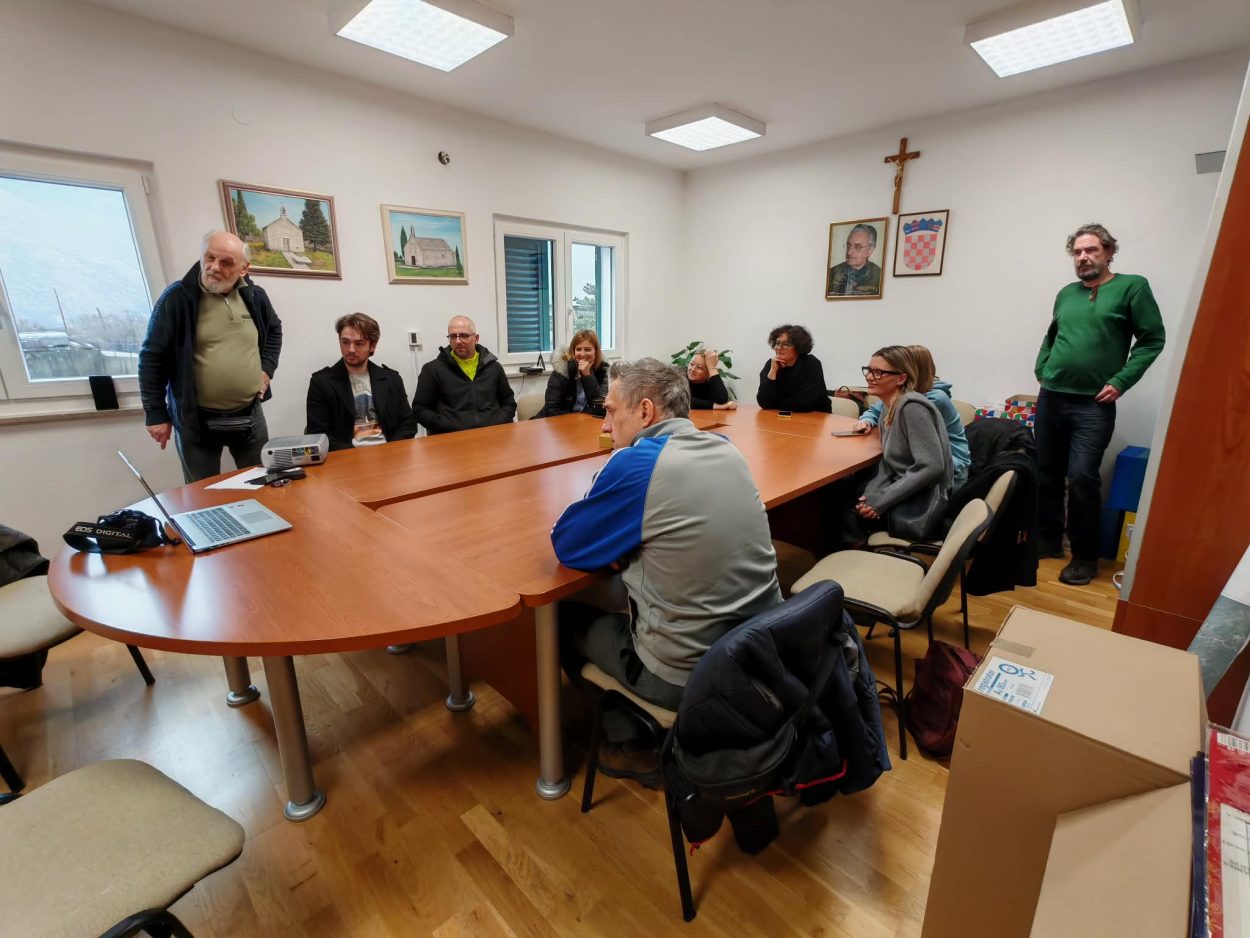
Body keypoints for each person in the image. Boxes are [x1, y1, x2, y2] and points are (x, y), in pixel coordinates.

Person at [551, 358, 781, 763]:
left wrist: (611, 487)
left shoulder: (637, 463)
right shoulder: (724, 447)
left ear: (645, 411)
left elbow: (568, 544)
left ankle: (627, 734)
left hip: (687, 676)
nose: (605, 427)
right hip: (757, 652)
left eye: (611, 412)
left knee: (559, 614)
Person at [1034, 223, 1165, 586]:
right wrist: (1042, 369)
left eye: (1091, 250)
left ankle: (1084, 557)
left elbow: (1152, 339)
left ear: (1109, 252)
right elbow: (1051, 336)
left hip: (1092, 405)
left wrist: (1121, 380)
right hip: (1052, 397)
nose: (1083, 257)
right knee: (1046, 471)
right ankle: (1048, 540)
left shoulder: (1132, 287)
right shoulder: (1066, 293)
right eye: (1077, 252)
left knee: (1081, 477)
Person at [139, 230, 283, 483]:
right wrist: (156, 413)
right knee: (201, 494)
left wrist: (267, 369)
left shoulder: (254, 295)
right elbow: (152, 357)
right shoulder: (177, 298)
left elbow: (274, 330)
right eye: (210, 257)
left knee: (263, 483)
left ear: (243, 268)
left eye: (226, 262)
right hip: (196, 420)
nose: (214, 267)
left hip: (250, 415)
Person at [853, 346, 954, 541]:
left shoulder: (912, 407)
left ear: (900, 378)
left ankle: (858, 553)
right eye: (869, 370)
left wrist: (881, 500)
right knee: (853, 495)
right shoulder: (888, 407)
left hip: (922, 495)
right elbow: (889, 462)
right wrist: (872, 494)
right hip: (904, 485)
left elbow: (932, 467)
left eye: (878, 372)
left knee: (843, 506)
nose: (870, 377)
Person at [855, 345, 971, 489]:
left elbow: (929, 464)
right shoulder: (899, 395)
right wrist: (867, 420)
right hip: (915, 460)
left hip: (950, 470)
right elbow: (876, 410)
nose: (870, 376)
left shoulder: (927, 402)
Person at [305, 312, 417, 451]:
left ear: (372, 345)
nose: (351, 349)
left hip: (389, 453)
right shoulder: (322, 383)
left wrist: (389, 451)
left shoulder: (391, 379)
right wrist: (354, 456)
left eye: (359, 343)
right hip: (346, 457)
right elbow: (318, 433)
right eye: (345, 342)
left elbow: (408, 424)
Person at [411, 316, 516, 434]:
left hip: (492, 434)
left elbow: (509, 403)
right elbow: (420, 410)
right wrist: (445, 425)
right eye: (453, 336)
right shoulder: (432, 370)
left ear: (476, 338)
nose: (458, 341)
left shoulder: (493, 367)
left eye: (464, 335)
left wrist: (497, 422)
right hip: (451, 437)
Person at [756, 324, 832, 413]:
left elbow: (804, 404)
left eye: (785, 344)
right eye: (777, 343)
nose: (779, 348)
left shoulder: (810, 364)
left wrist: (774, 403)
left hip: (815, 416)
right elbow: (763, 402)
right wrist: (772, 373)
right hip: (783, 417)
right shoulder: (771, 364)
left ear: (798, 347)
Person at [534, 329, 609, 418]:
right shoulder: (562, 370)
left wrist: (587, 376)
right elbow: (552, 410)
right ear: (573, 352)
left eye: (588, 349)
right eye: (578, 349)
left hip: (584, 422)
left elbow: (601, 409)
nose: (582, 354)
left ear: (596, 351)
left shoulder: (603, 371)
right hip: (553, 422)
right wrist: (580, 417)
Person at [827, 223, 882, 297]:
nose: (849, 252)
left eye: (857, 247)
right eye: (848, 246)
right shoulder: (831, 273)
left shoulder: (879, 277)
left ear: (870, 250)